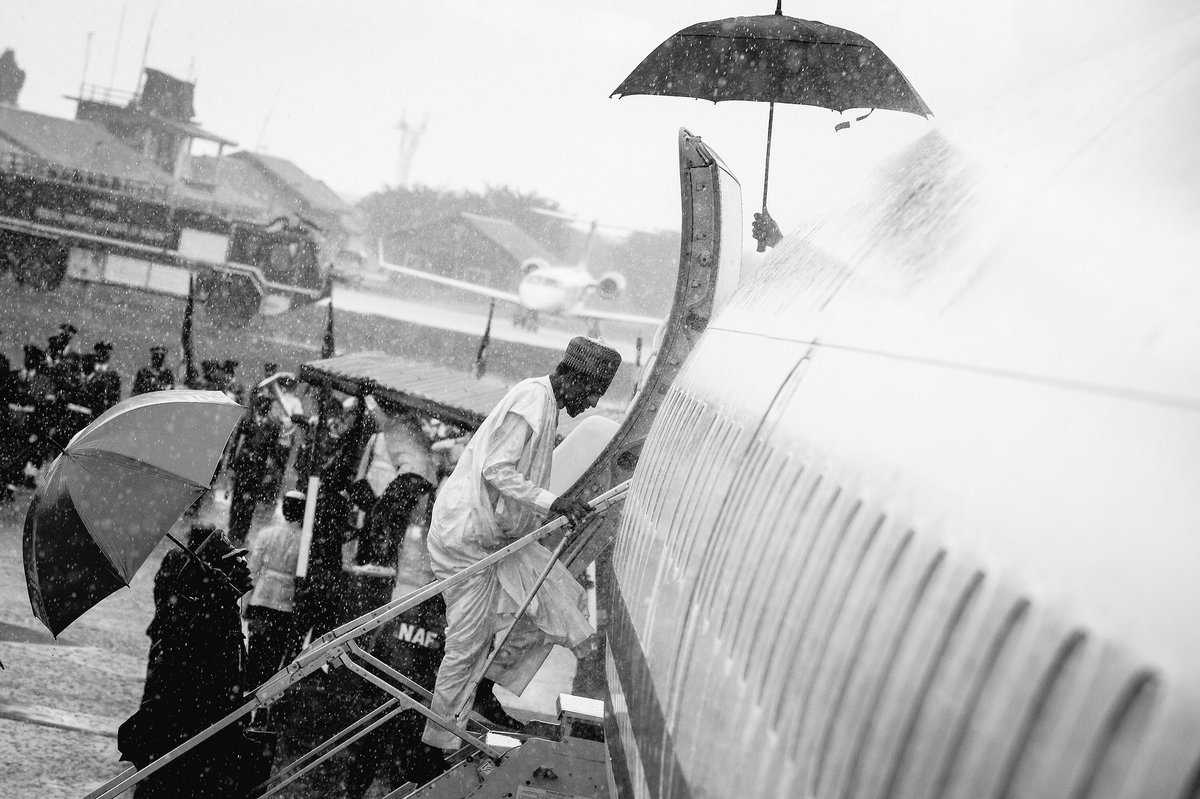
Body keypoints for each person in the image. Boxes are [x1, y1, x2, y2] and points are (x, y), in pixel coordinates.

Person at [420, 336, 620, 752]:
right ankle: (435, 743)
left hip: (496, 539)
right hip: (468, 539)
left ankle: (485, 687)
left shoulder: (547, 404)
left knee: (564, 599)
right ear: (572, 378)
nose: (591, 403)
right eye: (591, 392)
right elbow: (497, 468)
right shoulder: (532, 398)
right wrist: (553, 502)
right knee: (466, 645)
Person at [117, 525, 253, 799]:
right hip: (190, 749)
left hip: (196, 744)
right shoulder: (206, 621)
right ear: (215, 572)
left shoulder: (221, 611)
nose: (244, 566)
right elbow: (207, 689)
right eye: (234, 561)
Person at [245, 491, 305, 690]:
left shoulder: (266, 534)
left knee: (254, 652)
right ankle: (265, 701)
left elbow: (252, 571)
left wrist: (246, 602)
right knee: (274, 657)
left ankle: (246, 699)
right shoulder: (305, 542)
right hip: (285, 605)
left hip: (261, 598)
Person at [228, 394, 282, 543]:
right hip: (243, 466)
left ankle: (242, 533)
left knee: (249, 503)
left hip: (258, 469)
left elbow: (273, 452)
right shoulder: (247, 421)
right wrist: (231, 466)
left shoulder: (273, 426)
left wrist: (270, 472)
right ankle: (233, 530)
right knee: (237, 499)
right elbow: (235, 444)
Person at [85, 341, 122, 416]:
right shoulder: (89, 375)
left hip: (103, 413)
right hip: (90, 411)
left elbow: (115, 398)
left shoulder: (113, 377)